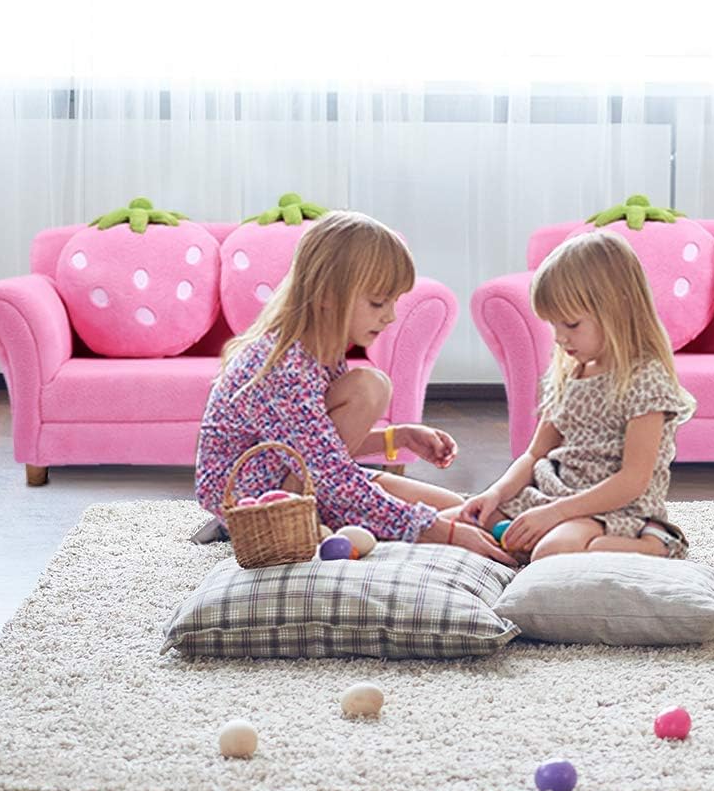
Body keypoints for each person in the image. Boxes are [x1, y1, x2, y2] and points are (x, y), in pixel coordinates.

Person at [195, 210, 513, 563]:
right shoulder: (283, 367)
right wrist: (442, 533)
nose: (390, 316)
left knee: (474, 513)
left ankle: (507, 533)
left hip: (300, 474)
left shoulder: (322, 352)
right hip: (255, 498)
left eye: (393, 302)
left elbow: (319, 447)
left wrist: (399, 437)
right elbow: (330, 472)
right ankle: (280, 520)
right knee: (370, 393)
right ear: (327, 294)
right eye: (378, 302)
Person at [459, 231, 695, 560]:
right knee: (466, 524)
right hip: (555, 494)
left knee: (551, 551)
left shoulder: (645, 380)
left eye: (570, 325)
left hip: (609, 508)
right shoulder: (571, 370)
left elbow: (632, 480)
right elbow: (534, 455)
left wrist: (556, 515)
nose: (559, 339)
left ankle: (654, 545)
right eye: (553, 326)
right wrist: (495, 494)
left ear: (618, 310)